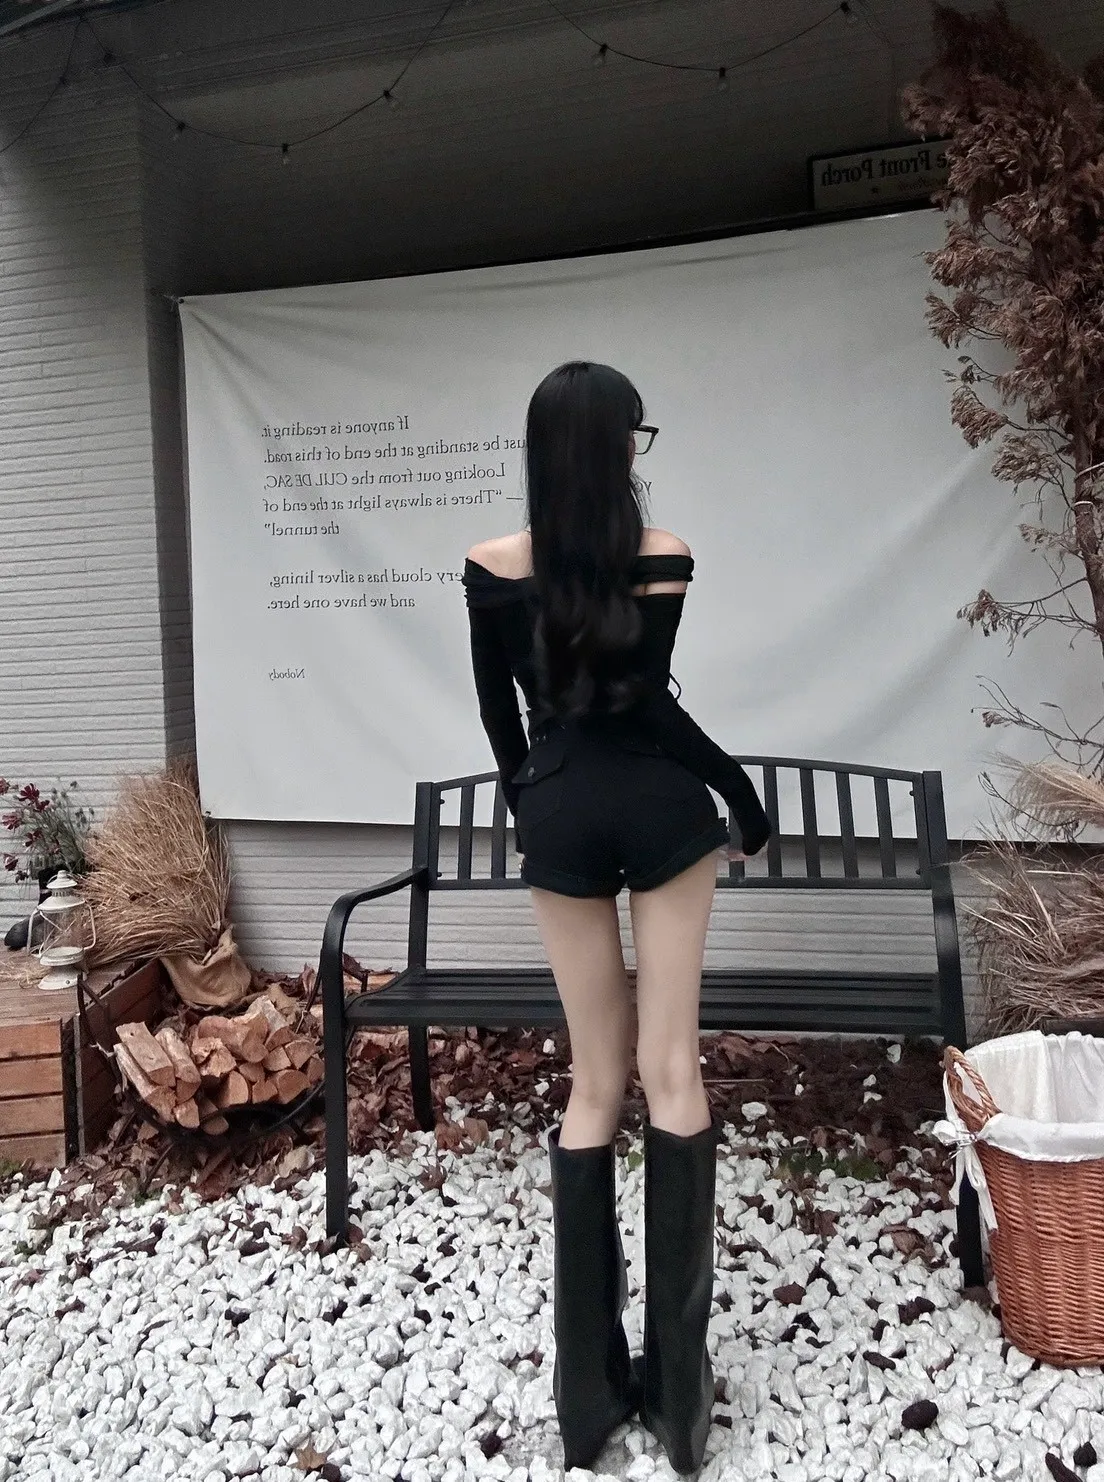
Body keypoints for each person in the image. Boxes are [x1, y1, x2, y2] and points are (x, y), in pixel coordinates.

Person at [462, 360, 771, 1476]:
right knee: (671, 1072)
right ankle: (681, 1408)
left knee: (592, 1086)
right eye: (637, 432)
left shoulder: (491, 567)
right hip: (659, 808)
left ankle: (588, 1403)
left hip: (561, 815)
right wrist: (740, 793)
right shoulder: (664, 555)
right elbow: (651, 716)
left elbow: (501, 720)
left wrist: (535, 802)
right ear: (617, 447)